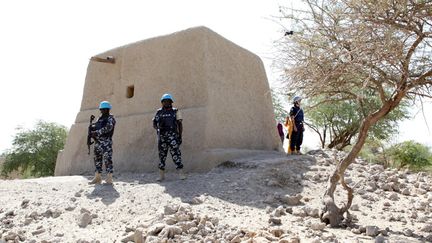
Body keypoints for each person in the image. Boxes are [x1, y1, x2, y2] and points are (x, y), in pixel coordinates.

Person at [153, 93, 186, 181]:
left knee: (176, 154)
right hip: (162, 137)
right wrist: (158, 127)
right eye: (164, 101)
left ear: (171, 102)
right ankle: (161, 175)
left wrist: (180, 136)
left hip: (173, 136)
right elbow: (154, 123)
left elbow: (180, 124)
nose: (166, 103)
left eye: (168, 101)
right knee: (162, 156)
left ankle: (181, 173)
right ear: (162, 102)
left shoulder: (176, 111)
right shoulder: (158, 112)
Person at [89, 101, 117, 185]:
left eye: (103, 109)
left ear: (107, 109)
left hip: (106, 142)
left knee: (107, 160)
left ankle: (109, 178)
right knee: (97, 160)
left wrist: (97, 132)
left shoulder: (110, 118)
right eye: (101, 109)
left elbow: (108, 128)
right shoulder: (99, 118)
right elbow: (96, 127)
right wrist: (92, 130)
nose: (102, 111)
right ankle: (97, 177)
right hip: (98, 142)